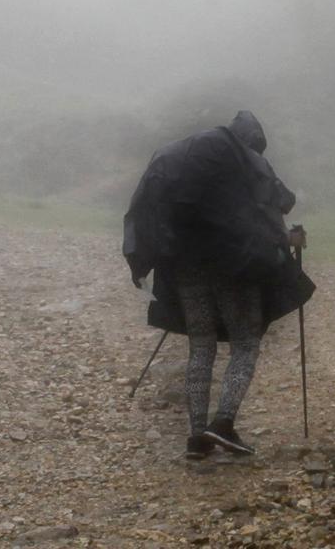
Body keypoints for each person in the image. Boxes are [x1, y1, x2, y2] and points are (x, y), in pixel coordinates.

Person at [123, 110, 314, 461]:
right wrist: (288, 238)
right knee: (245, 343)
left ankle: (197, 436)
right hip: (232, 266)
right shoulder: (243, 160)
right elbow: (276, 205)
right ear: (253, 140)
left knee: (201, 346)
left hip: (184, 264)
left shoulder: (184, 155)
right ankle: (223, 423)